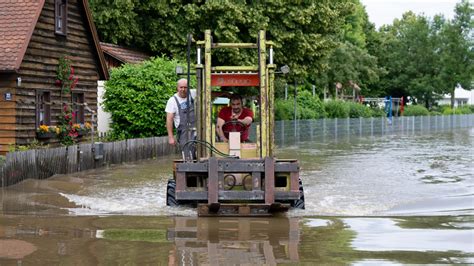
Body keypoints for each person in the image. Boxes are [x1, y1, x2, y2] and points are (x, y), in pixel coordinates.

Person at [165, 78, 196, 153]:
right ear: (177, 88)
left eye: (185, 87)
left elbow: (207, 92)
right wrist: (171, 137)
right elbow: (169, 120)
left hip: (196, 128)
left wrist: (225, 94)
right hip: (183, 132)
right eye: (181, 87)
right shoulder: (172, 101)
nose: (183, 89)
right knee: (187, 154)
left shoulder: (193, 93)